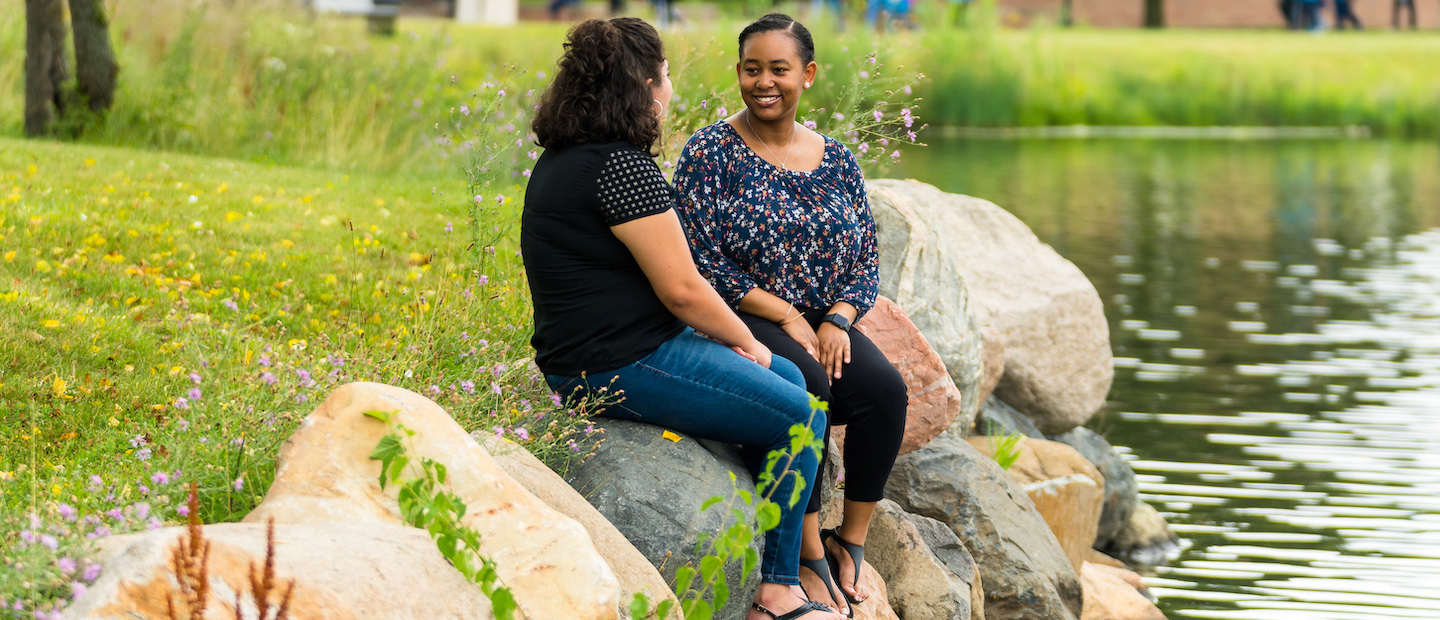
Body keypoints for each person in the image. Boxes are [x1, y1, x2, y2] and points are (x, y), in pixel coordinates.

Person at [522, 17, 845, 620]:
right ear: (644, 86)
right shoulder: (623, 169)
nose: (670, 88)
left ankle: (768, 535)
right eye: (666, 76)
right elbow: (684, 290)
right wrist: (747, 341)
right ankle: (776, 592)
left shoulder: (567, 159)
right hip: (619, 363)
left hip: (601, 353)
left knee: (796, 382)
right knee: (800, 415)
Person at [672, 14, 909, 618]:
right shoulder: (709, 152)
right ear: (738, 73)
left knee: (884, 390)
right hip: (741, 310)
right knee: (806, 383)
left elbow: (865, 255)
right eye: (752, 69)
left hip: (823, 314)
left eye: (779, 69)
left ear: (807, 75)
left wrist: (840, 316)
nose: (764, 82)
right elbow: (698, 259)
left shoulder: (838, 160)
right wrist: (783, 312)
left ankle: (847, 540)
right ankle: (807, 552)